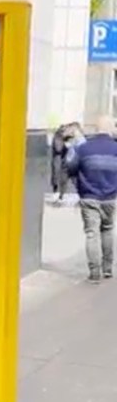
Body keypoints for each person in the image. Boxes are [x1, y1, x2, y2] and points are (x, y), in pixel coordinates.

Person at [66, 114, 117, 283]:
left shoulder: (84, 148)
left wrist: (79, 184)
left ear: (96, 129)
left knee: (91, 233)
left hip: (89, 196)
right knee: (107, 229)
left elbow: (71, 167)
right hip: (110, 196)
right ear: (111, 129)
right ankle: (108, 269)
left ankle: (94, 273)